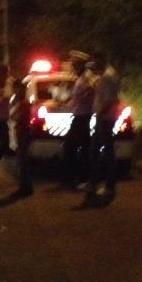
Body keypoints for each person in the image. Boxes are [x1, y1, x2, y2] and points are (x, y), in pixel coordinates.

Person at [85, 54, 121, 201]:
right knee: (100, 151)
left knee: (101, 152)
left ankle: (104, 184)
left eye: (95, 63)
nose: (93, 67)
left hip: (104, 119)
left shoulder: (106, 79)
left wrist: (99, 115)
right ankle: (97, 183)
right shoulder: (108, 77)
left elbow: (109, 101)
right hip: (105, 118)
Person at [60, 57, 95, 190]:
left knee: (71, 147)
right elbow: (77, 98)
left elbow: (90, 93)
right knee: (79, 148)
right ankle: (77, 178)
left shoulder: (85, 80)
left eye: (75, 67)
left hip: (82, 117)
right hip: (80, 117)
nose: (73, 70)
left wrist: (84, 102)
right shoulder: (80, 80)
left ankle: (75, 179)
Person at [10, 79, 32, 197]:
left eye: (17, 90)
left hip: (23, 133)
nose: (15, 92)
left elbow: (17, 117)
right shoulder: (21, 103)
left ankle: (25, 187)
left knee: (23, 162)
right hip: (21, 133)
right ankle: (25, 186)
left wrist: (13, 115)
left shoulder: (23, 103)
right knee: (22, 161)